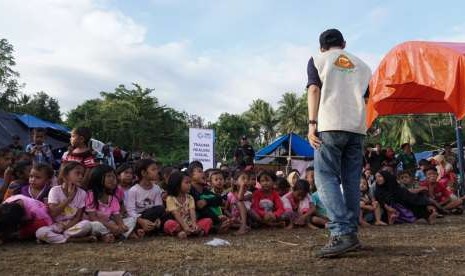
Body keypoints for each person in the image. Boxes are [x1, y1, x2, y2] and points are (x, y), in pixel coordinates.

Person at [306, 28, 372, 257]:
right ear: (343, 43)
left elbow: (314, 89)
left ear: (322, 46)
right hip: (357, 128)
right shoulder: (363, 66)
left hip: (330, 125)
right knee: (351, 180)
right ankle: (350, 233)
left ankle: (343, 232)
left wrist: (312, 124)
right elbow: (365, 98)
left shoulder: (318, 59)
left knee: (325, 177)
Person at [36, 162, 93, 243]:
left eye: (82, 174)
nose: (81, 177)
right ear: (66, 175)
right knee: (40, 232)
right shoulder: (55, 190)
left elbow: (78, 217)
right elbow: (53, 213)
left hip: (72, 226)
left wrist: (66, 228)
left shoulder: (82, 193)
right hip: (57, 225)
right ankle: (69, 239)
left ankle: (59, 238)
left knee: (87, 225)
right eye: (77, 173)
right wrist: (69, 199)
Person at [86, 165, 138, 242]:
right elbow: (93, 217)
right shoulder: (91, 195)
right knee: (95, 225)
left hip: (109, 223)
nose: (112, 179)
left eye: (114, 177)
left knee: (131, 220)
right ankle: (112, 235)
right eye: (108, 176)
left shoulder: (113, 198)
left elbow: (117, 216)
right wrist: (111, 226)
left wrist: (121, 225)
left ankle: (111, 235)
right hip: (98, 223)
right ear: (97, 178)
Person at [164, 171, 213, 238]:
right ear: (177, 185)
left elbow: (192, 212)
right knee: (168, 224)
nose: (190, 185)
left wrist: (194, 224)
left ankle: (195, 231)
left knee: (208, 220)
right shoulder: (170, 198)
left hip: (189, 223)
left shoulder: (190, 198)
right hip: (178, 224)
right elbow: (175, 214)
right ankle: (179, 233)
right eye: (187, 183)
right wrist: (185, 227)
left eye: (190, 182)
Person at [125, 159, 165, 235]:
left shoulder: (156, 188)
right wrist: (141, 221)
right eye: (153, 169)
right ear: (143, 173)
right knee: (132, 220)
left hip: (153, 216)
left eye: (157, 169)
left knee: (163, 210)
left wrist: (158, 219)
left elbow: (158, 207)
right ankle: (143, 229)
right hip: (139, 218)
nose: (157, 171)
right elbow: (130, 211)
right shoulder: (134, 190)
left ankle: (151, 228)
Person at [188, 161, 230, 233]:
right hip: (192, 220)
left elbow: (219, 199)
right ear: (191, 175)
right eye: (199, 171)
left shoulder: (204, 190)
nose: (203, 173)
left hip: (207, 218)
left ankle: (218, 225)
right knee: (206, 217)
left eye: (203, 171)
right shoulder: (190, 190)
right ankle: (216, 226)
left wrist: (206, 201)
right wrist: (217, 219)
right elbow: (200, 206)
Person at [225, 170, 250, 234]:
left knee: (239, 202)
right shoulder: (230, 194)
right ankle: (243, 225)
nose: (246, 180)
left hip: (248, 217)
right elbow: (225, 209)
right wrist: (231, 216)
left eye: (247, 179)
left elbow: (240, 198)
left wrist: (241, 186)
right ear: (236, 182)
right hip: (235, 218)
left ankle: (243, 226)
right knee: (228, 223)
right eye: (243, 178)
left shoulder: (249, 193)